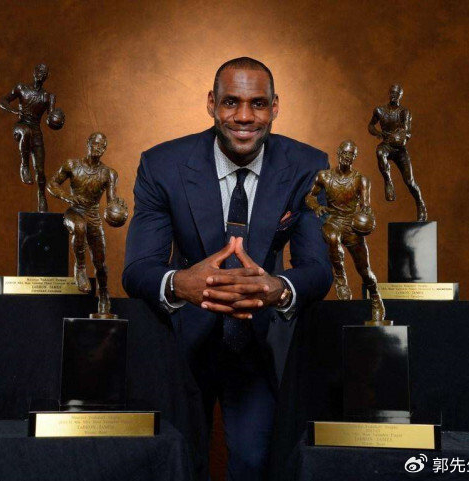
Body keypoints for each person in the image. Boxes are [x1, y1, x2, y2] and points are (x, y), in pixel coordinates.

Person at [123, 57, 331, 480]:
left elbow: (317, 269)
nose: (244, 116)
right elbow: (138, 269)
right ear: (211, 104)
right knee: (178, 464)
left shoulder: (307, 166)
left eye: (258, 104)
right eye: (231, 102)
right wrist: (180, 283)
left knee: (255, 464)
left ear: (275, 107)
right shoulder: (162, 165)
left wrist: (278, 287)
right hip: (182, 341)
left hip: (258, 343)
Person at [47, 132, 128, 316]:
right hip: (74, 212)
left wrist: (119, 209)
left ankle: (104, 293)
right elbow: (52, 184)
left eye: (102, 146)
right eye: (95, 144)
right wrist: (67, 197)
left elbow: (111, 202)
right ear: (88, 143)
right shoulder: (72, 165)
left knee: (100, 263)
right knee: (79, 227)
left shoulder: (109, 173)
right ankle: (81, 268)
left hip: (93, 216)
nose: (98, 148)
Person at [305, 140, 385, 323]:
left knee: (365, 271)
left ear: (355, 157)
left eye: (351, 155)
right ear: (339, 153)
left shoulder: (361, 180)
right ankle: (340, 279)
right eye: (345, 153)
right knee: (332, 238)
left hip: (352, 224)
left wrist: (367, 216)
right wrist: (316, 206)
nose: (347, 157)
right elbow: (310, 197)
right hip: (333, 220)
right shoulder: (324, 176)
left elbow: (365, 205)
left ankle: (376, 297)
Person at [0, 63, 61, 213]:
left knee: (40, 171)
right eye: (39, 70)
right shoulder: (21, 88)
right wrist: (14, 110)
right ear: (34, 72)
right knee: (26, 132)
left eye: (44, 72)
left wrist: (58, 118)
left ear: (47, 76)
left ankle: (41, 196)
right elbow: (3, 101)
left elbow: (51, 119)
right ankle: (24, 165)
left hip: (36, 130)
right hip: (21, 126)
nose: (41, 74)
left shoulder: (48, 97)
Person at [368, 84, 427, 221]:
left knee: (410, 182)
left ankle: (420, 203)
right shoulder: (380, 110)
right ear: (389, 93)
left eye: (397, 94)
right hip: (386, 145)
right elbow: (370, 125)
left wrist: (402, 137)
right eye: (392, 93)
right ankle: (388, 181)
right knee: (380, 152)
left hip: (400, 149)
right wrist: (378, 133)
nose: (394, 96)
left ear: (401, 96)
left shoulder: (404, 112)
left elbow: (407, 131)